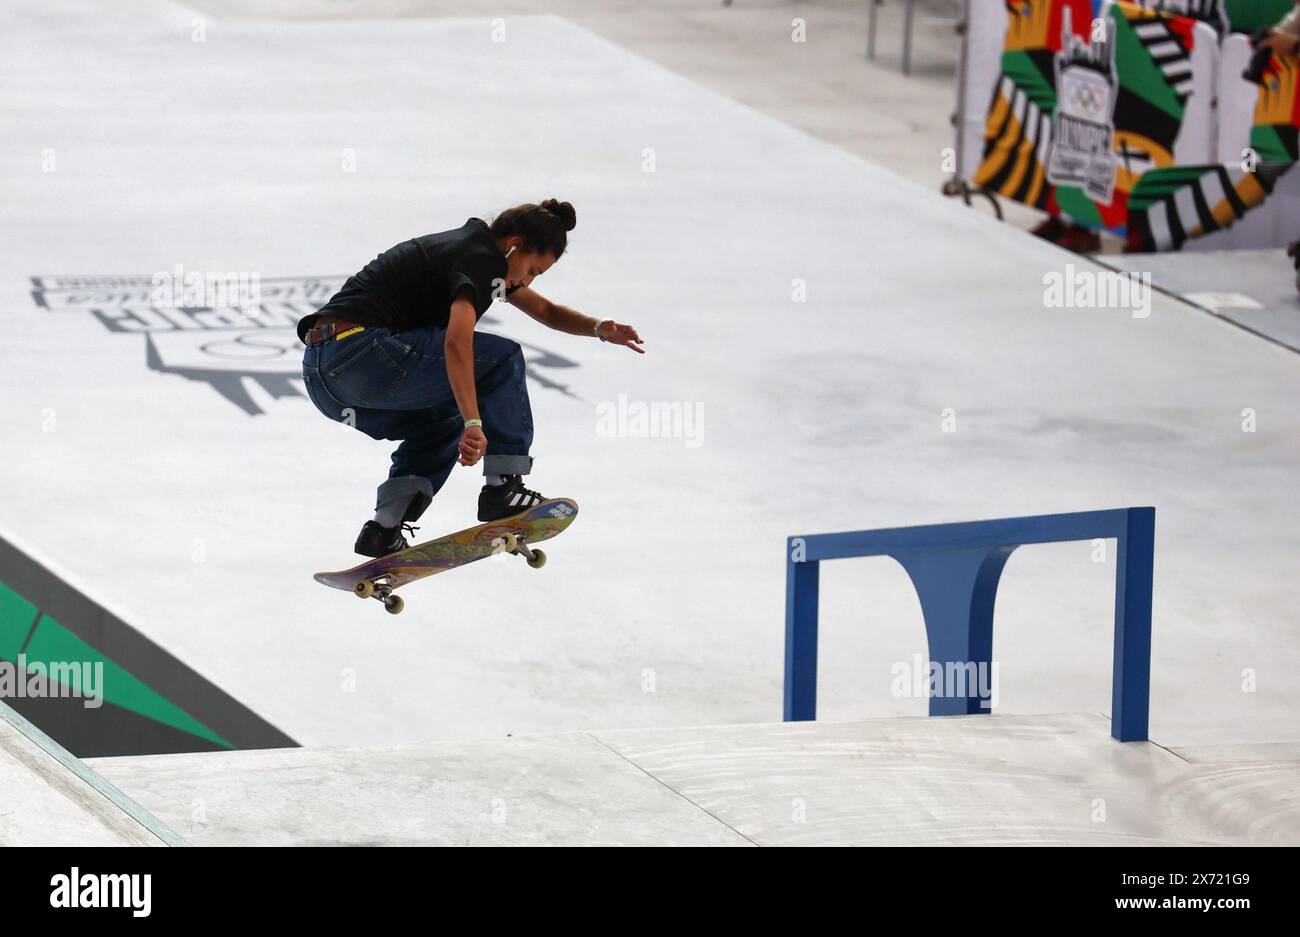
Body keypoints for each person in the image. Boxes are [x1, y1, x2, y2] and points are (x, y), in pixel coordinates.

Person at [298, 200, 644, 557]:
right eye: (532, 270)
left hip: (326, 379)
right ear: (514, 244)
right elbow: (457, 342)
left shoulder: (472, 256)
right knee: (503, 359)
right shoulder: (480, 259)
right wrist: (475, 421)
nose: (525, 281)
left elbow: (547, 311)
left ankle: (384, 528)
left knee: (442, 421)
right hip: (364, 354)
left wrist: (600, 328)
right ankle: (502, 488)